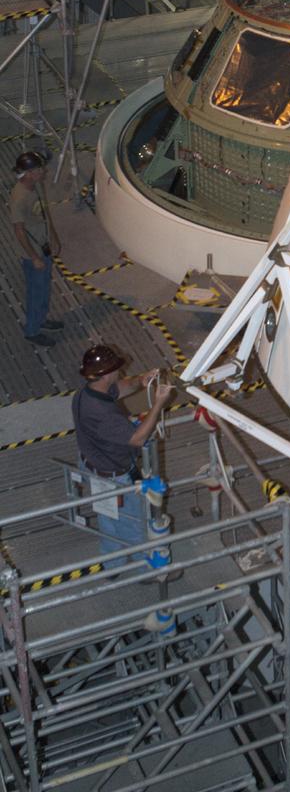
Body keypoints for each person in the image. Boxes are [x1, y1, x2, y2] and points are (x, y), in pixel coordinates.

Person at [72, 344, 174, 570]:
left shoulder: (88, 392)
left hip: (95, 467)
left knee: (108, 522)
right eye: (116, 369)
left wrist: (142, 381)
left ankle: (113, 565)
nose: (120, 372)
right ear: (106, 374)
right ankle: (142, 569)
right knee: (133, 523)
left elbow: (121, 387)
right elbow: (137, 439)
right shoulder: (101, 412)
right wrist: (158, 404)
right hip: (112, 476)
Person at [10, 150, 63, 346]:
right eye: (40, 168)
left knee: (44, 288)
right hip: (33, 254)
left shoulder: (35, 187)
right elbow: (19, 231)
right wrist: (34, 257)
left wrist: (54, 237)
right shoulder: (19, 197)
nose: (44, 171)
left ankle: (41, 319)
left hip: (43, 247)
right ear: (30, 172)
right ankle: (32, 330)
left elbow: (44, 213)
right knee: (36, 292)